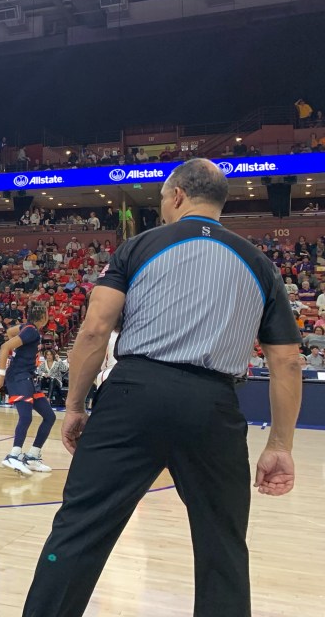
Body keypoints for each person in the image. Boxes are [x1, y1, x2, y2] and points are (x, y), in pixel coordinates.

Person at [22, 159, 303, 617]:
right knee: (223, 547)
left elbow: (94, 330)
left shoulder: (140, 246)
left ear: (176, 196)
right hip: (214, 405)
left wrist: (74, 406)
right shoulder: (260, 264)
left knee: (79, 530)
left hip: (134, 393)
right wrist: (280, 444)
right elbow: (287, 360)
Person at [0, 307, 58, 475]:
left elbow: (9, 331)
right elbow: (5, 346)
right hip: (18, 376)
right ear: (43, 317)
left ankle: (32, 457)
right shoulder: (32, 332)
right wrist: (0, 375)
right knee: (26, 416)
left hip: (28, 377)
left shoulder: (27, 328)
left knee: (49, 416)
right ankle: (13, 456)